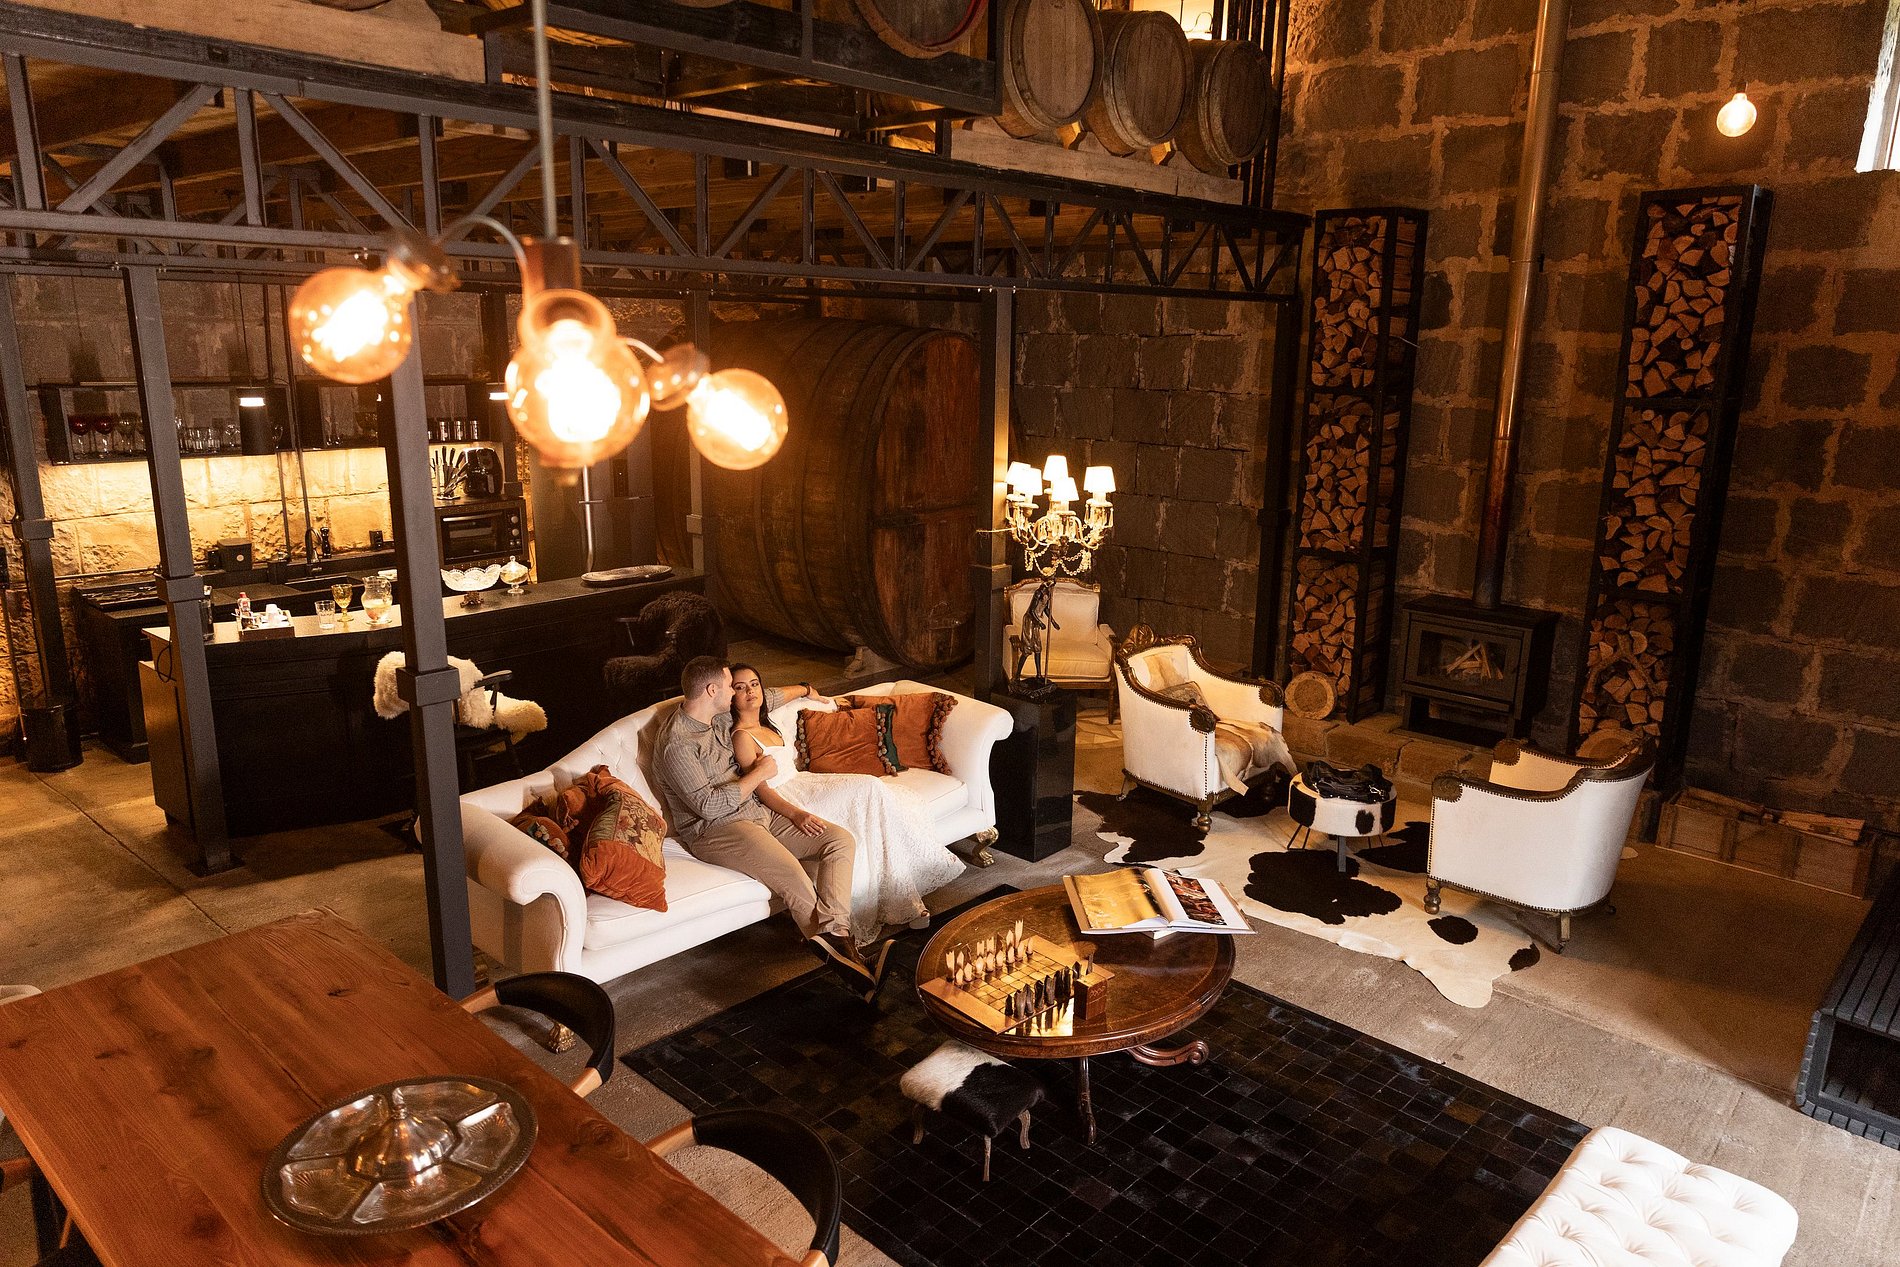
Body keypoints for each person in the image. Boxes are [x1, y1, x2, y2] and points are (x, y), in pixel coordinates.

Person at [653, 656, 881, 993]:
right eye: (730, 686)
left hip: (758, 814)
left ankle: (839, 940)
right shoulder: (678, 744)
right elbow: (709, 807)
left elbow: (767, 697)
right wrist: (760, 772)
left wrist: (805, 688)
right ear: (713, 690)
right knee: (794, 877)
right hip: (717, 830)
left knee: (839, 841)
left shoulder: (716, 715)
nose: (736, 692)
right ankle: (854, 968)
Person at [729, 665, 962, 947]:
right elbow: (762, 788)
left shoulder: (767, 723)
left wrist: (806, 689)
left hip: (805, 781)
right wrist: (796, 814)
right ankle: (870, 910)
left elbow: (777, 695)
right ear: (731, 695)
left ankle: (899, 897)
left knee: (872, 795)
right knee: (868, 790)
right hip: (787, 796)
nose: (750, 691)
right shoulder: (742, 737)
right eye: (740, 687)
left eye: (754, 684)